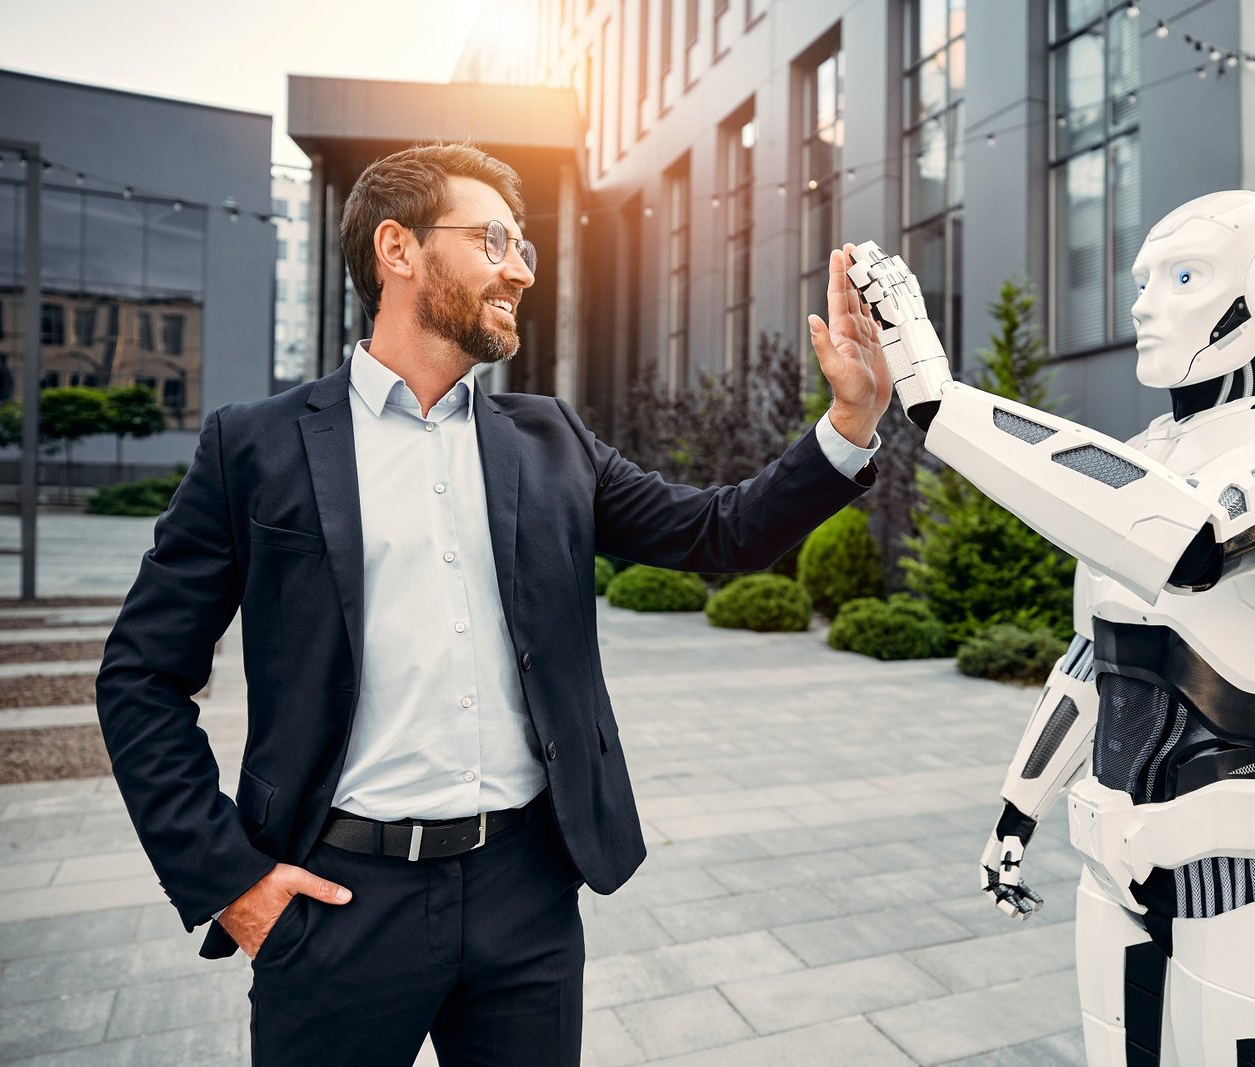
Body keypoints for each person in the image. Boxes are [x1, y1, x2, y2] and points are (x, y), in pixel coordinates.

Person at [97, 142, 888, 1066]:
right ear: (398, 249)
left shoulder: (550, 439)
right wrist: (230, 879)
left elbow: (720, 533)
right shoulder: (255, 447)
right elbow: (141, 676)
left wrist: (849, 425)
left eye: (526, 249)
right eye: (495, 239)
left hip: (527, 894)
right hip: (338, 901)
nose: (519, 269)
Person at [844, 191, 1255, 1065]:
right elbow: (1094, 664)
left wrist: (944, 408)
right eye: (1145, 279)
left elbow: (1197, 543)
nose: (1144, 302)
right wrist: (1019, 806)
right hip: (1117, 869)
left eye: (1183, 276)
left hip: (1250, 879)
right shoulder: (1146, 460)